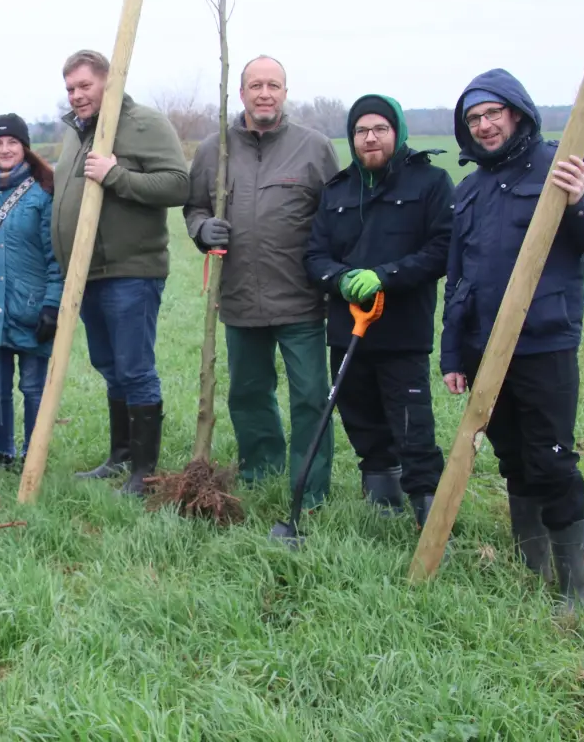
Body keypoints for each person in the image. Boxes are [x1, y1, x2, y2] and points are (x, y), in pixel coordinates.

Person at [442, 68, 584, 611]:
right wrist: (453, 353)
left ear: (516, 113)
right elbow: (458, 279)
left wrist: (579, 202)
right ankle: (533, 563)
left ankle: (576, 591)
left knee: (550, 459)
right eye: (474, 118)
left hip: (544, 344)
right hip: (481, 349)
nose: (484, 126)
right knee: (512, 458)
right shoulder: (469, 190)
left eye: (492, 113)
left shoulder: (566, 167)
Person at [184, 56, 339, 509]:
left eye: (273, 85)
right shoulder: (215, 149)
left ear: (285, 92)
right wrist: (201, 230)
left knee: (311, 397)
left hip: (301, 299)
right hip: (238, 297)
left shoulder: (314, 147)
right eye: (256, 85)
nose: (264, 93)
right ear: (242, 93)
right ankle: (261, 468)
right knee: (248, 394)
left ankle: (309, 485)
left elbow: (337, 214)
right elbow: (194, 206)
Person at [305, 94, 453, 527]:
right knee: (361, 420)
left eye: (379, 130)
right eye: (361, 131)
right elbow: (314, 255)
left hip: (402, 331)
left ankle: (429, 515)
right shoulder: (337, 190)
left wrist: (386, 275)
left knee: (412, 426)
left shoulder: (430, 183)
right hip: (346, 329)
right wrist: (339, 279)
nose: (370, 138)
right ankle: (382, 509)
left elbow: (443, 248)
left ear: (397, 132)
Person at [53, 50, 190, 495]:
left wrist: (117, 175)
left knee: (135, 368)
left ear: (108, 83)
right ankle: (121, 455)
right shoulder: (76, 133)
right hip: (86, 273)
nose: (76, 95)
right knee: (109, 366)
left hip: (130, 269)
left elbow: (177, 184)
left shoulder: (144, 124)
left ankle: (144, 473)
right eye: (71, 87)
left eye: (84, 86)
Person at [0, 113, 63, 471]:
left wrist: (52, 303)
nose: (5, 149)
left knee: (33, 388)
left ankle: (32, 454)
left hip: (32, 307)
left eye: (12, 143)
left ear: (25, 148)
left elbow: (56, 257)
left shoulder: (43, 194)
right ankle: (3, 453)